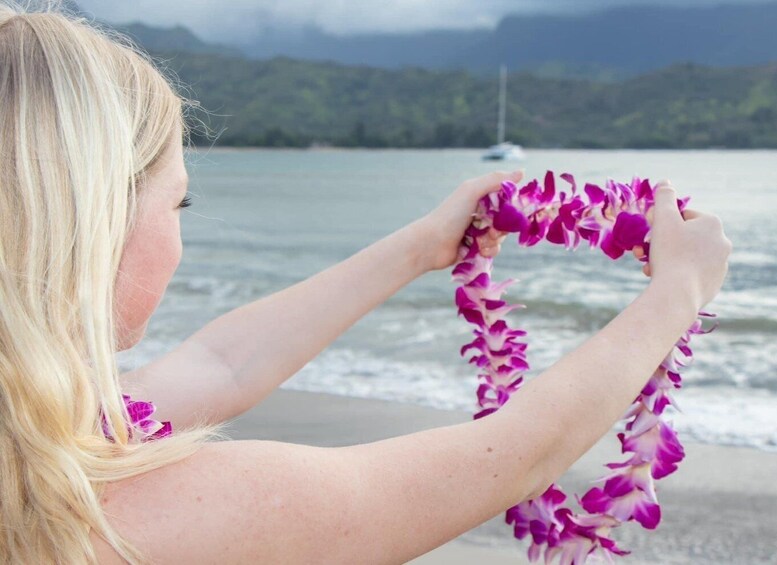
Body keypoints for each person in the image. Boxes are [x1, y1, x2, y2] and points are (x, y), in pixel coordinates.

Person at [0, 2, 732, 564]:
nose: (181, 233)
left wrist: (421, 245)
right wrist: (677, 290)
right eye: (177, 201)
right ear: (94, 222)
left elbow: (221, 363)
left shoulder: (35, 441)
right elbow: (514, 456)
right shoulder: (138, 510)